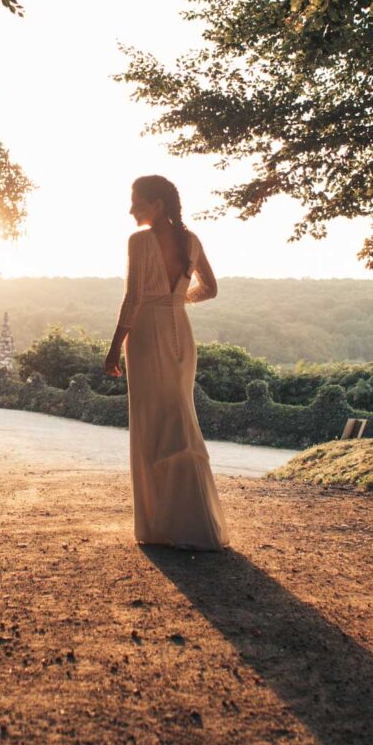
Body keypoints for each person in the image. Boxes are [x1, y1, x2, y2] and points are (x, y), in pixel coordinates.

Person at [104, 175, 230, 551]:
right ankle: (191, 519)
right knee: (179, 416)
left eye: (137, 202)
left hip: (146, 336)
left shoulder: (140, 242)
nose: (131, 210)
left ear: (157, 204)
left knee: (154, 423)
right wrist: (176, 299)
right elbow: (210, 288)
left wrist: (113, 350)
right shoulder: (191, 241)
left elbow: (133, 299)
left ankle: (164, 525)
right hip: (181, 333)